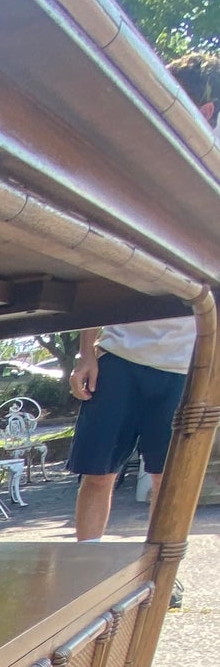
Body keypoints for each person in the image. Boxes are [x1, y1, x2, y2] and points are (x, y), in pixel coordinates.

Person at [68, 53, 219, 542]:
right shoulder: (133, 167)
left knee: (166, 482)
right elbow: (98, 267)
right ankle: (83, 568)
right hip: (121, 355)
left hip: (183, 365)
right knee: (98, 474)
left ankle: (160, 574)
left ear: (207, 110)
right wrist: (86, 351)